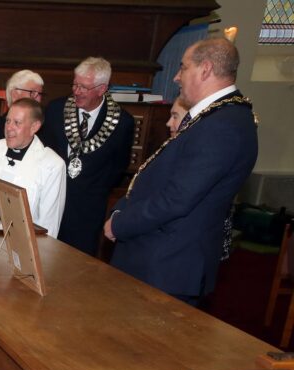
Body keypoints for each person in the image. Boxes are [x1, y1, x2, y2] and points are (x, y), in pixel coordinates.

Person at [105, 38, 258, 305]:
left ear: (205, 69)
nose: (176, 77)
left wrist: (120, 223)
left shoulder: (223, 125)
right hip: (157, 259)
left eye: (183, 67)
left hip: (167, 266)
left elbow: (176, 199)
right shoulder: (214, 118)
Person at [41, 57, 134, 256]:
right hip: (50, 200)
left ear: (102, 89)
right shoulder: (56, 110)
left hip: (88, 211)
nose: (76, 91)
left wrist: (92, 188)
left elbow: (118, 166)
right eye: (75, 84)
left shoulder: (122, 122)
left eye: (84, 87)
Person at [0, 98, 66, 236]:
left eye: (17, 123)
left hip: (19, 248)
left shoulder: (52, 165)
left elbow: (49, 224)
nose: (9, 128)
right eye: (8, 121)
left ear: (34, 127)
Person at [0, 69, 45, 151]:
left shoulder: (46, 129)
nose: (38, 99)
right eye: (33, 93)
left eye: (40, 94)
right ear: (14, 95)